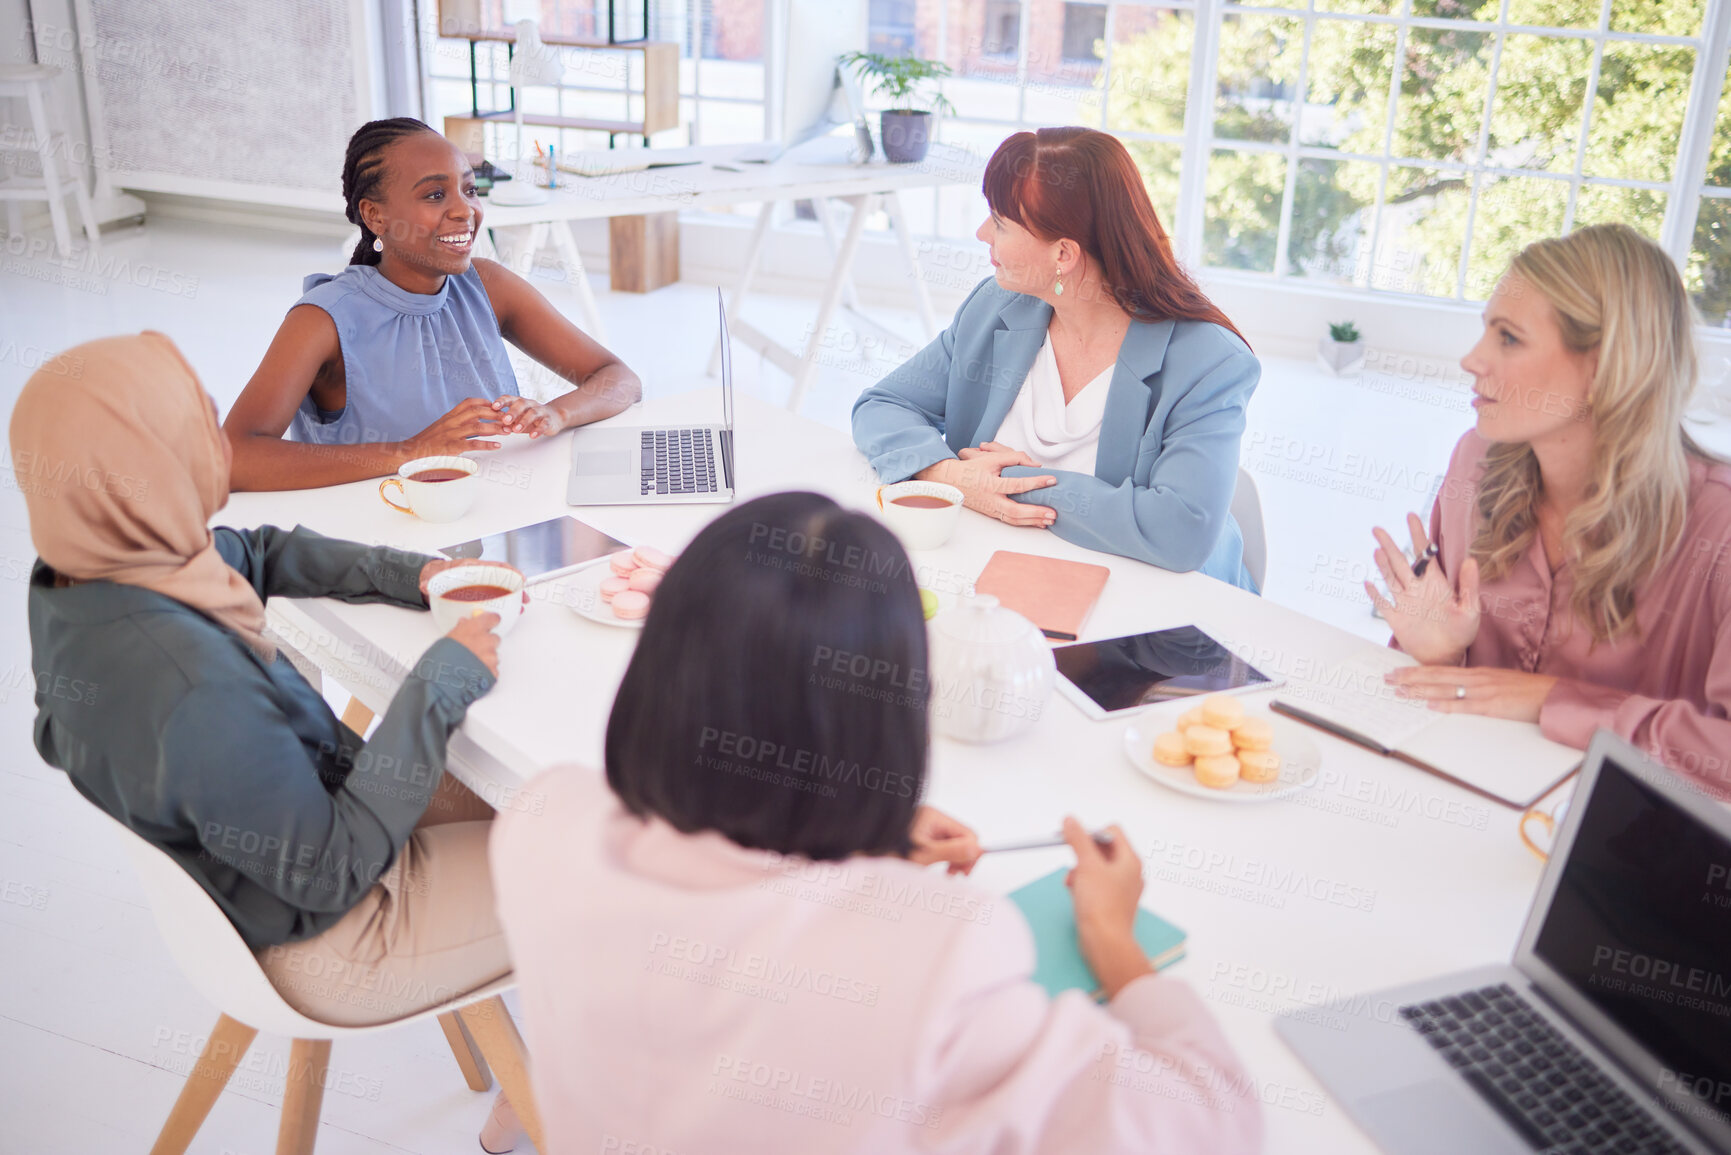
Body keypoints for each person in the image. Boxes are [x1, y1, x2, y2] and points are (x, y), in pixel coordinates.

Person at [489, 492, 1261, 1155]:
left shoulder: (542, 819)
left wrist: (852, 845)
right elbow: (1212, 1121)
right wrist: (1117, 945)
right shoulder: (939, 950)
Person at [16, 332, 527, 1135]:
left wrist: (410, 573)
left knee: (528, 786)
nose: (217, 447)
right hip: (341, 932)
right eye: (196, 428)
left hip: (270, 871)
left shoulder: (84, 571)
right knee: (610, 859)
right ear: (145, 465)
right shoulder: (190, 687)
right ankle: (563, 1094)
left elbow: (250, 551)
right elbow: (332, 871)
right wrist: (442, 675)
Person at [1368, 224, 1731, 796]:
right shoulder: (1475, 464)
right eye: (1485, 331)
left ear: (1603, 367)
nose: (1472, 359)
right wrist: (1441, 653)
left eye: (1508, 338)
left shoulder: (1720, 529)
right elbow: (1447, 693)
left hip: (1622, 857)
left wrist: (1555, 701)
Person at [853, 127, 1260, 589]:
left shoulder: (1210, 363)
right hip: (999, 576)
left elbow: (1181, 530)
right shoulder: (997, 307)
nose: (982, 233)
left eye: (1001, 223)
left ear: (1063, 253)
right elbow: (881, 407)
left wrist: (1007, 479)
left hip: (1162, 616)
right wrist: (946, 473)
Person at [224, 117, 642, 491]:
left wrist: (557, 414)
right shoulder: (322, 320)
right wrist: (411, 451)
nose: (465, 210)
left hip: (481, 518)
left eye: (468, 189)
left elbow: (619, 378)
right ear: (375, 216)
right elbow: (234, 456)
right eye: (435, 195)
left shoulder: (488, 285)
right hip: (369, 545)